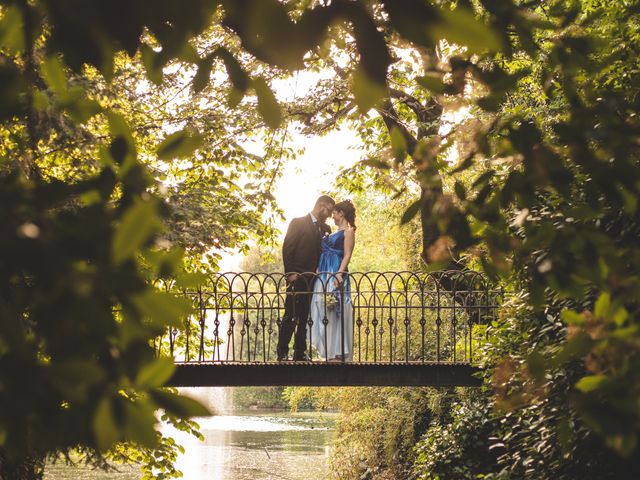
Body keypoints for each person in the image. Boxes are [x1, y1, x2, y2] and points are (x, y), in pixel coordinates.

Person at [277, 195, 335, 361]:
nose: (330, 215)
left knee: (306, 316)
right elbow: (288, 248)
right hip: (297, 276)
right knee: (291, 314)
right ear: (320, 206)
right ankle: (282, 352)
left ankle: (299, 352)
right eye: (329, 211)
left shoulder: (326, 229)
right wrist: (290, 273)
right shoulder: (298, 222)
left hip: (314, 279)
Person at [309, 200, 356, 361]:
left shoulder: (348, 231)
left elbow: (347, 254)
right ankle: (328, 350)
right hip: (323, 272)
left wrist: (339, 273)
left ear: (341, 213)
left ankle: (339, 351)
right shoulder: (331, 232)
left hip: (335, 270)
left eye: (334, 213)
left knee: (336, 310)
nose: (332, 216)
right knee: (322, 307)